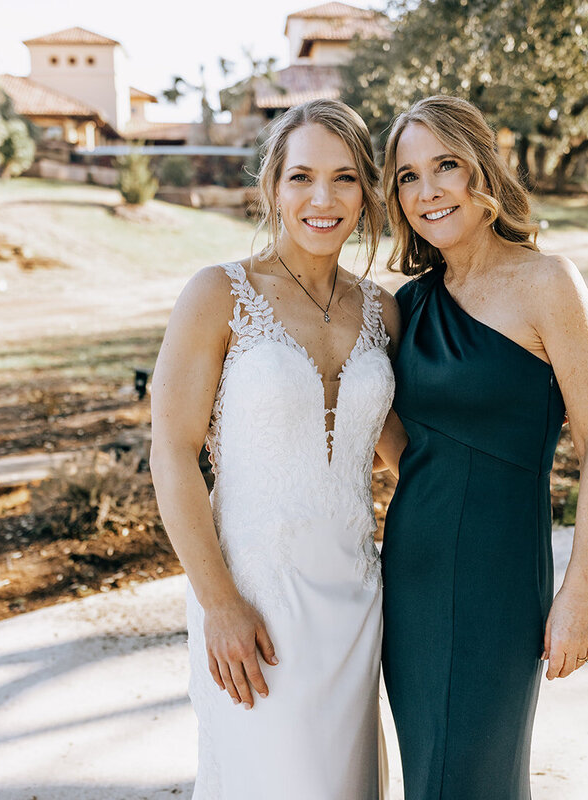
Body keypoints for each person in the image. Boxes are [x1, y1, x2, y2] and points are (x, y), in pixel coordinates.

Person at [149, 99, 401, 799]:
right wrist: (219, 602)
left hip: (355, 600)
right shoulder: (217, 295)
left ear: (367, 193)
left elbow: (404, 452)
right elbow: (172, 453)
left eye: (345, 178)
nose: (323, 199)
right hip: (252, 603)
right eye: (302, 178)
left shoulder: (383, 311)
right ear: (272, 186)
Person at [378, 95, 588, 799]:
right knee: (432, 776)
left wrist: (582, 594)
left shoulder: (548, 283)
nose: (427, 190)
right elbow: (395, 432)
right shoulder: (409, 304)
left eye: (444, 166)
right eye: (406, 176)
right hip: (412, 569)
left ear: (480, 169)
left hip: (499, 573)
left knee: (471, 778)